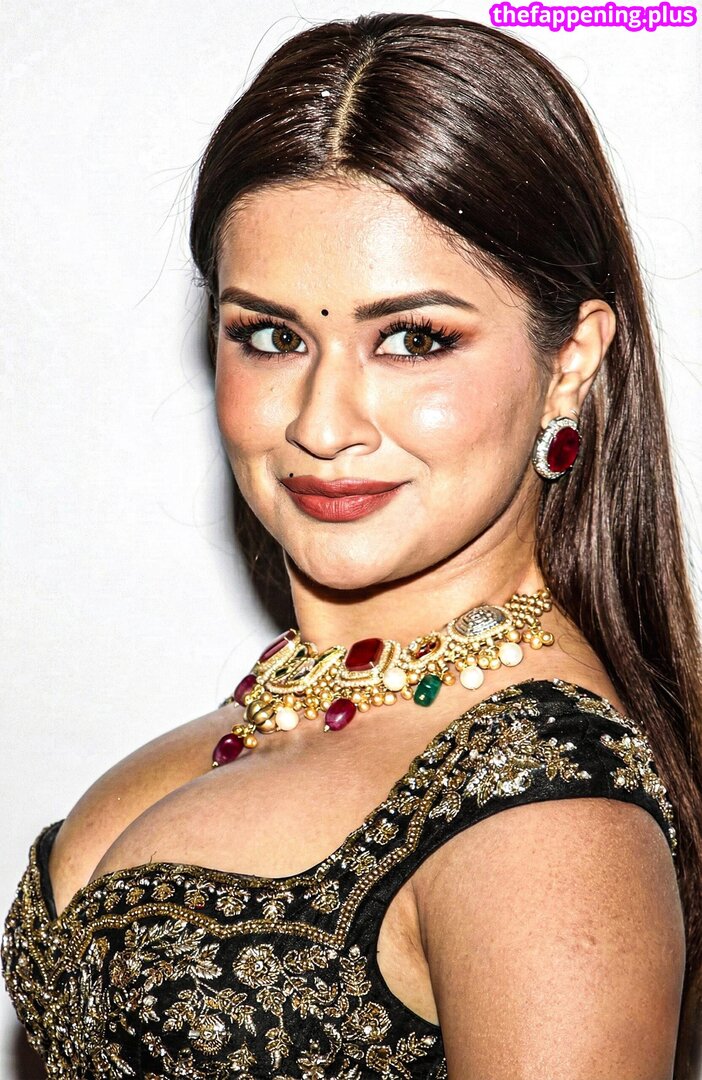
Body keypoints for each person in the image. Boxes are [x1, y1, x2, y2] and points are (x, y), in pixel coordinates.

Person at [2, 11, 701, 1079]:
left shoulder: (547, 820)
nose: (324, 425)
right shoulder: (308, 701)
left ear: (570, 363)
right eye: (271, 336)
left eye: (413, 340)